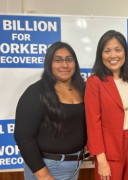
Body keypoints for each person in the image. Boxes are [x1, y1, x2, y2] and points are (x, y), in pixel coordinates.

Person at [14, 42, 87, 180]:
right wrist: (45, 177)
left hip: (74, 166)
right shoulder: (36, 92)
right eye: (58, 60)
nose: (64, 65)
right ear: (49, 63)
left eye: (69, 59)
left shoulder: (83, 89)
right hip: (47, 168)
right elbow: (23, 137)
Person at [85, 30, 128, 180]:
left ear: (125, 52)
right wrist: (101, 160)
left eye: (118, 50)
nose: (113, 55)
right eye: (107, 51)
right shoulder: (94, 82)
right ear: (100, 55)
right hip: (109, 149)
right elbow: (93, 123)